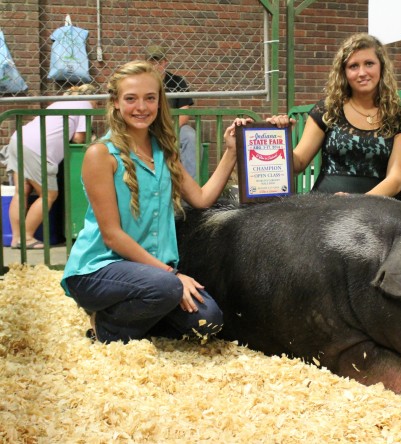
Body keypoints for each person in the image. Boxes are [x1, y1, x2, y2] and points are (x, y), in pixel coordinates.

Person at [60, 60, 245, 344]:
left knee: (208, 320)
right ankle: (106, 326)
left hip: (154, 276)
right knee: (167, 289)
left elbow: (202, 199)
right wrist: (171, 275)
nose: (141, 107)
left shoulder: (164, 151)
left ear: (159, 102)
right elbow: (111, 235)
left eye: (150, 98)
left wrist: (231, 151)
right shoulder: (100, 154)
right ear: (116, 103)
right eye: (131, 98)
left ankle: (131, 316)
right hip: (98, 270)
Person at [268, 33, 401, 199]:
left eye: (369, 64)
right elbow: (298, 163)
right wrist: (280, 138)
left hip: (378, 212)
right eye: (353, 66)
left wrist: (356, 202)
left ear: (381, 67)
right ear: (343, 72)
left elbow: (395, 180)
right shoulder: (328, 110)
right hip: (326, 209)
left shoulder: (399, 116)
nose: (362, 72)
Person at [6, 84, 97, 250]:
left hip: (18, 139)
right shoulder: (84, 104)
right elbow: (78, 138)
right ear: (93, 99)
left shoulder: (60, 102)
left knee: (21, 192)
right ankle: (26, 237)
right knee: (48, 194)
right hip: (37, 148)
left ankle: (16, 238)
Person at [146, 45, 198, 180]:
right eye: (151, 61)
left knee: (190, 136)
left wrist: (170, 131)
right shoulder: (143, 82)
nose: (155, 65)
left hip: (174, 127)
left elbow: (184, 114)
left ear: (165, 62)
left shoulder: (177, 82)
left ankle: (190, 189)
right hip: (148, 127)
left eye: (158, 61)